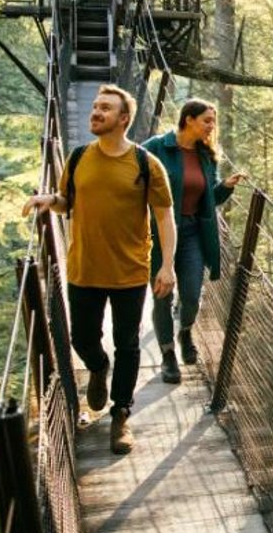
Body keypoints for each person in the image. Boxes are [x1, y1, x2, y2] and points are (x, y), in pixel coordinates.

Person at [24, 84, 176, 454]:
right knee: (82, 339)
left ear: (124, 119)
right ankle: (97, 366)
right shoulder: (77, 158)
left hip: (129, 272)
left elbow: (164, 216)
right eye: (94, 106)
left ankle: (121, 414)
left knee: (128, 345)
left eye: (105, 108)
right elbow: (67, 203)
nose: (96, 112)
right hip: (84, 269)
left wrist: (167, 266)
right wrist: (51, 200)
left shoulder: (145, 164)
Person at [142, 98, 247, 384]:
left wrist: (224, 187)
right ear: (189, 119)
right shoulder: (155, 148)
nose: (212, 127)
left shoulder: (206, 155)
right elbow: (134, 182)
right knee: (162, 294)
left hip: (191, 234)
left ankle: (185, 331)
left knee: (190, 295)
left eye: (213, 121)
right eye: (207, 121)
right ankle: (167, 356)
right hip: (159, 233)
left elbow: (208, 199)